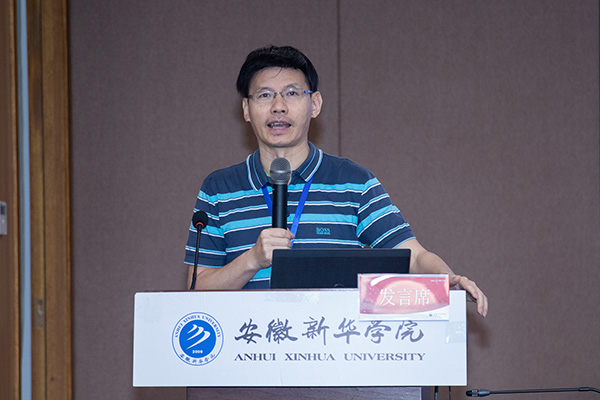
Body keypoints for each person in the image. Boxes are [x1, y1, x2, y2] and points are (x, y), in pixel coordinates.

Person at [185, 45, 488, 317]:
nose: (278, 106)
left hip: (334, 350)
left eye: (292, 93)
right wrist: (252, 260)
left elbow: (414, 256)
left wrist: (446, 282)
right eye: (264, 95)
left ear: (315, 104)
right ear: (246, 110)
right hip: (249, 353)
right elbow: (194, 292)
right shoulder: (218, 189)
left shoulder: (353, 183)